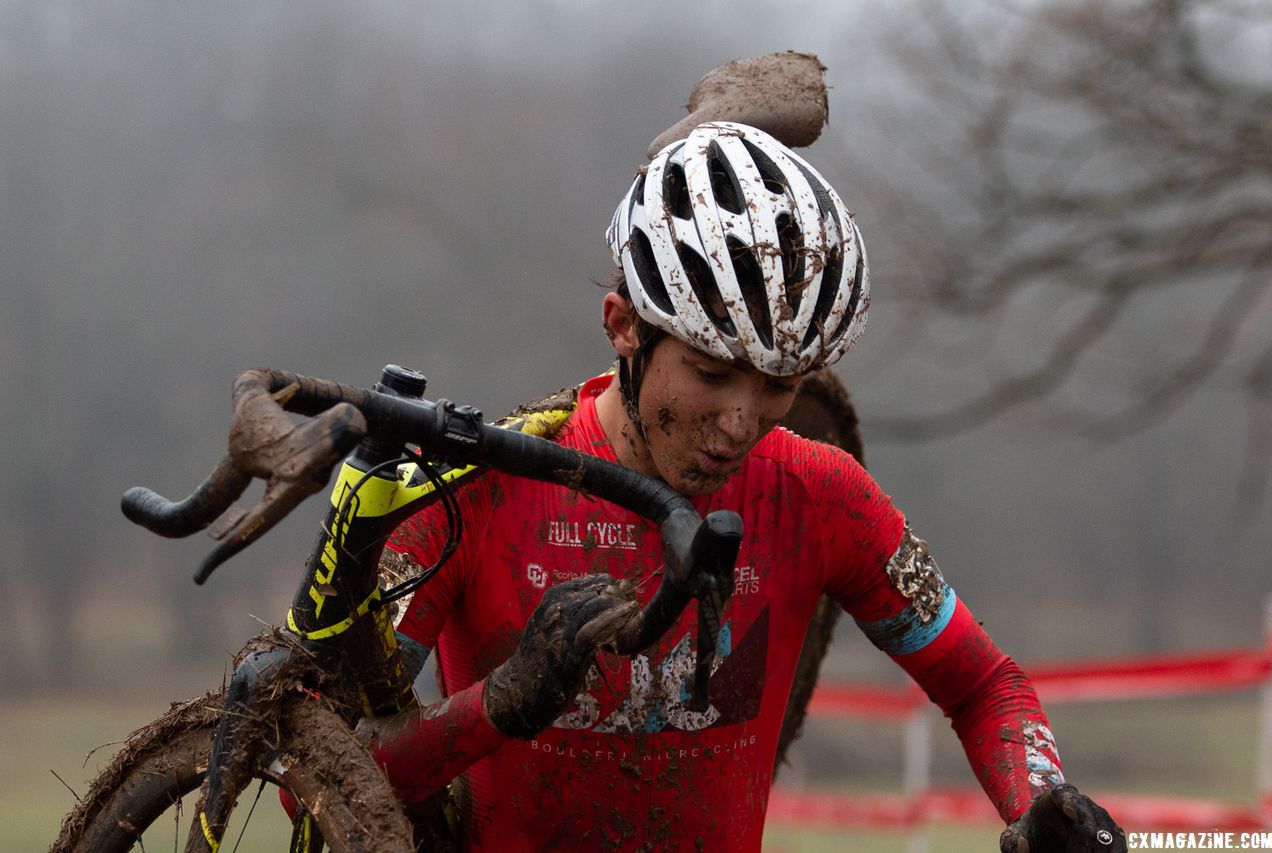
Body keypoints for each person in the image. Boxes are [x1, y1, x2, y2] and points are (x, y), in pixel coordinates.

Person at [364, 121, 1123, 852]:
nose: (738, 422)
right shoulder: (473, 490)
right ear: (623, 325)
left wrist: (1043, 800)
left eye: (778, 385)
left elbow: (982, 683)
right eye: (711, 373)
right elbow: (329, 771)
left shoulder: (821, 495)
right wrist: (502, 701)